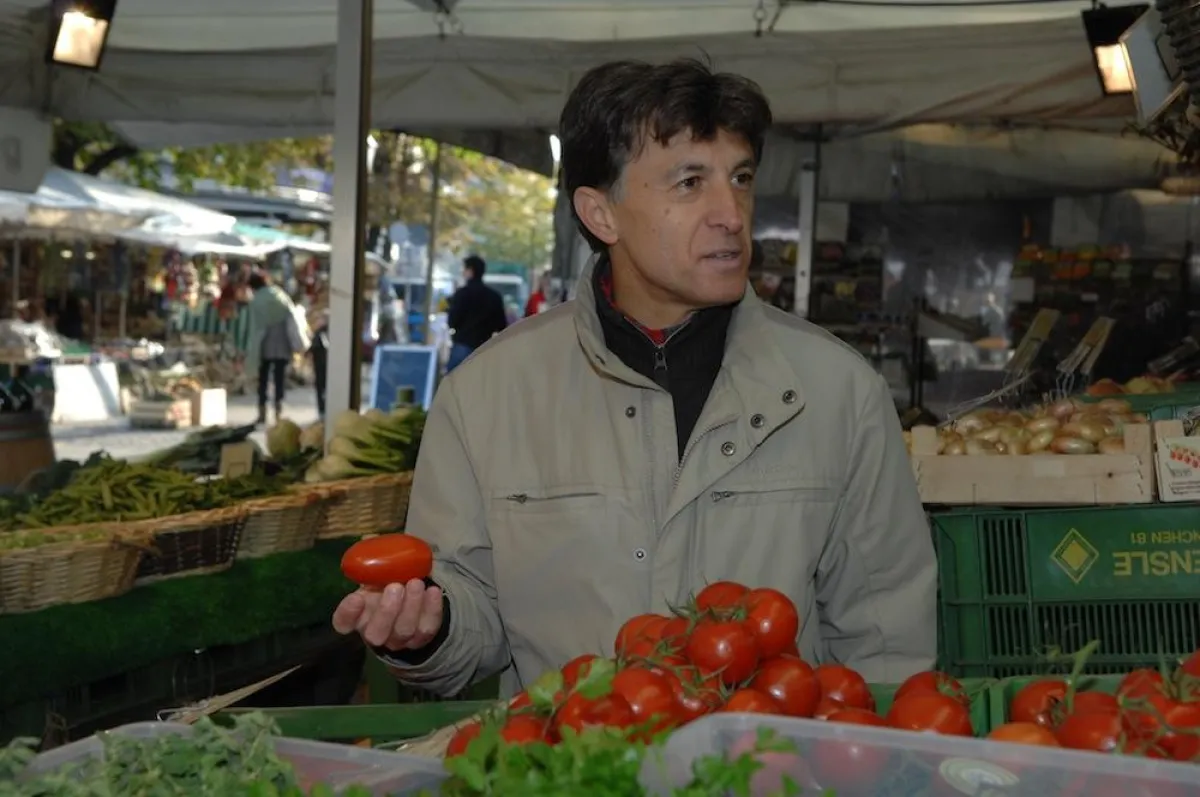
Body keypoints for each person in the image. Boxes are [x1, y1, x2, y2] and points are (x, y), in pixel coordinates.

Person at [332, 59, 936, 698]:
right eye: (689, 183)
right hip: (571, 767)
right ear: (600, 214)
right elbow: (472, 613)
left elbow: (886, 642)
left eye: (741, 178)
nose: (730, 213)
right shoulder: (485, 396)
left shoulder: (839, 392)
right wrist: (428, 628)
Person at [245, 270, 298, 425]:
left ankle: (262, 412)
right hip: (282, 340)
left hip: (264, 342)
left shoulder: (256, 301)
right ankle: (278, 412)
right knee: (279, 377)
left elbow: (254, 326)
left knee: (263, 378)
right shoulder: (279, 294)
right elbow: (290, 313)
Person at [444, 255, 507, 373]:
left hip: (462, 346)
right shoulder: (494, 297)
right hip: (484, 348)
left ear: (470, 271)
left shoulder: (461, 294)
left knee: (454, 386)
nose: (463, 273)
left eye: (464, 269)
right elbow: (501, 326)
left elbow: (452, 321)